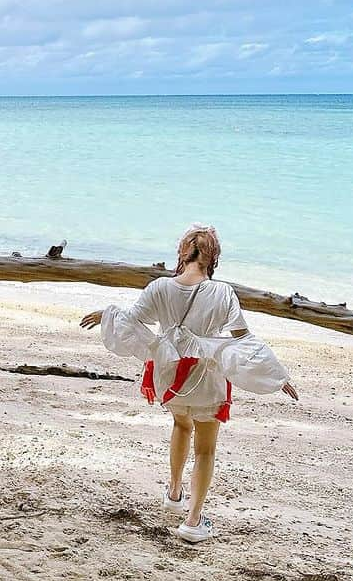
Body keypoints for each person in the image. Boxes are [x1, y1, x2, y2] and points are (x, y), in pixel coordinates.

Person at [80, 224, 299, 545]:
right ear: (213, 257)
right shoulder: (222, 292)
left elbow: (132, 319)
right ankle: (194, 521)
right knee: (206, 448)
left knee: (182, 426)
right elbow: (242, 340)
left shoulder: (159, 288)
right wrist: (276, 375)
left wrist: (105, 314)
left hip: (169, 377)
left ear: (183, 254)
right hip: (205, 378)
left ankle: (173, 492)